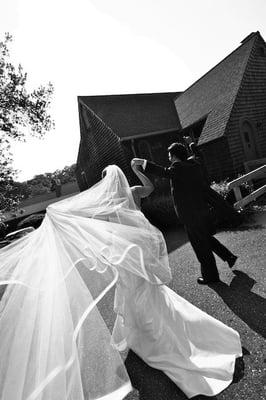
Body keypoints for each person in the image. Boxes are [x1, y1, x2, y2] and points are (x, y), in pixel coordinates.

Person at [0, 165, 242, 400]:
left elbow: (90, 224)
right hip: (138, 252)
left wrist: (57, 213)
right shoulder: (133, 192)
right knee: (141, 293)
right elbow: (149, 188)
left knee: (139, 295)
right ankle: (146, 332)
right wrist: (138, 170)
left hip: (128, 255)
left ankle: (152, 336)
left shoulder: (108, 204)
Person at [132, 143, 238, 285]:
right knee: (205, 238)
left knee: (200, 247)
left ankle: (211, 277)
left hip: (191, 216)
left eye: (169, 154)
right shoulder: (193, 166)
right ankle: (229, 256)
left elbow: (164, 172)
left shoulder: (178, 168)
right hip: (201, 211)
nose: (168, 157)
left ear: (174, 156)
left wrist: (143, 163)